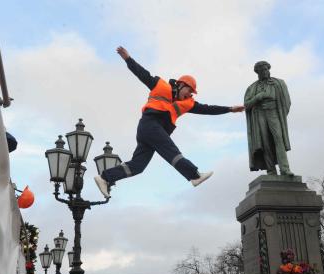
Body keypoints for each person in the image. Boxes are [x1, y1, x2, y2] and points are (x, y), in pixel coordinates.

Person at [94, 46, 245, 198]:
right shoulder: (161, 86)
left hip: (150, 132)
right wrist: (128, 58)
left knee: (138, 166)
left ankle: (104, 178)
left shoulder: (188, 103)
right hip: (150, 124)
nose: (189, 95)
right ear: (181, 85)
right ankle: (194, 175)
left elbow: (208, 109)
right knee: (170, 150)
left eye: (192, 93)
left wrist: (230, 109)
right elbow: (142, 74)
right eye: (189, 91)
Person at [244, 61, 294, 176]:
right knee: (265, 142)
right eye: (262, 70)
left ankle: (285, 169)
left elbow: (287, 102)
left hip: (274, 112)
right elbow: (246, 105)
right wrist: (258, 97)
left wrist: (280, 115)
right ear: (258, 72)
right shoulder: (252, 88)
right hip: (260, 114)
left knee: (278, 139)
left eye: (266, 69)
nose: (265, 72)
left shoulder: (279, 83)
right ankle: (271, 170)